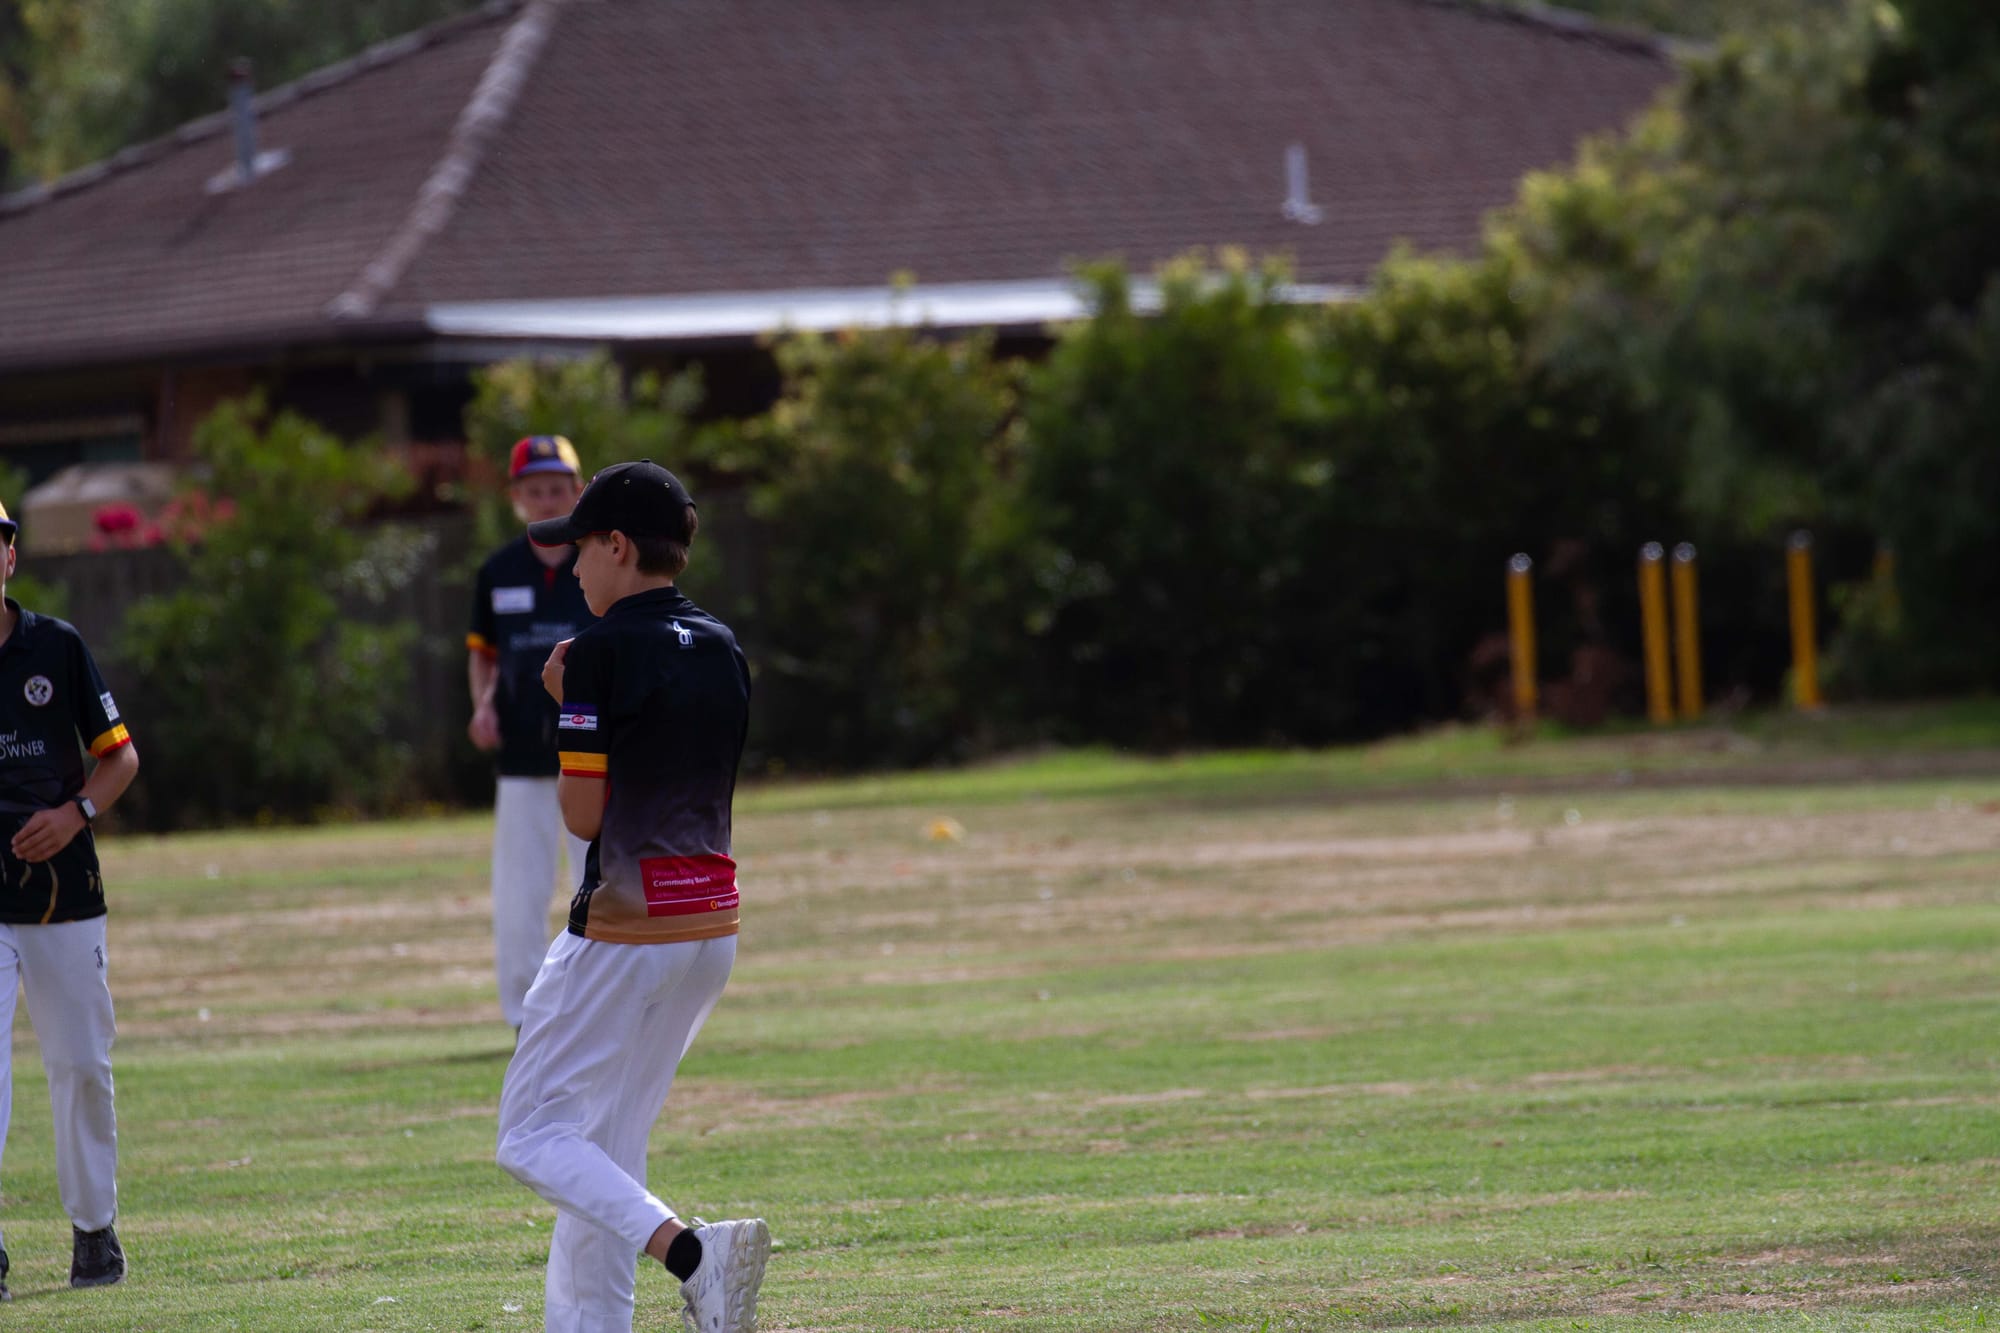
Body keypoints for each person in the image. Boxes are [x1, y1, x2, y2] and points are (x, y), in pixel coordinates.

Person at [494, 461, 767, 1333]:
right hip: (711, 923)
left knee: (532, 1136)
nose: (571, 569)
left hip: (625, 926)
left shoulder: (599, 650)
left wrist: (563, 701)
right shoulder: (723, 644)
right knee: (605, 1145)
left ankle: (693, 1253)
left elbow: (581, 816)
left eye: (579, 549)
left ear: (617, 545)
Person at [0, 497, 141, 1297]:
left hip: (62, 892)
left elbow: (119, 759)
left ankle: (93, 1229)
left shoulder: (57, 646)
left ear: (11, 557)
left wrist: (74, 812)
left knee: (81, 1063)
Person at [468, 436, 595, 1032]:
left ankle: (604, 1006)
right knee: (520, 893)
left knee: (603, 881)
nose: (547, 497)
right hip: (521, 756)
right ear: (516, 497)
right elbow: (485, 658)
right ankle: (525, 1017)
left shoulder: (603, 559)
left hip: (594, 751)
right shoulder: (497, 572)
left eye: (558, 486)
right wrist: (482, 708)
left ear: (578, 490)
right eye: (535, 488)